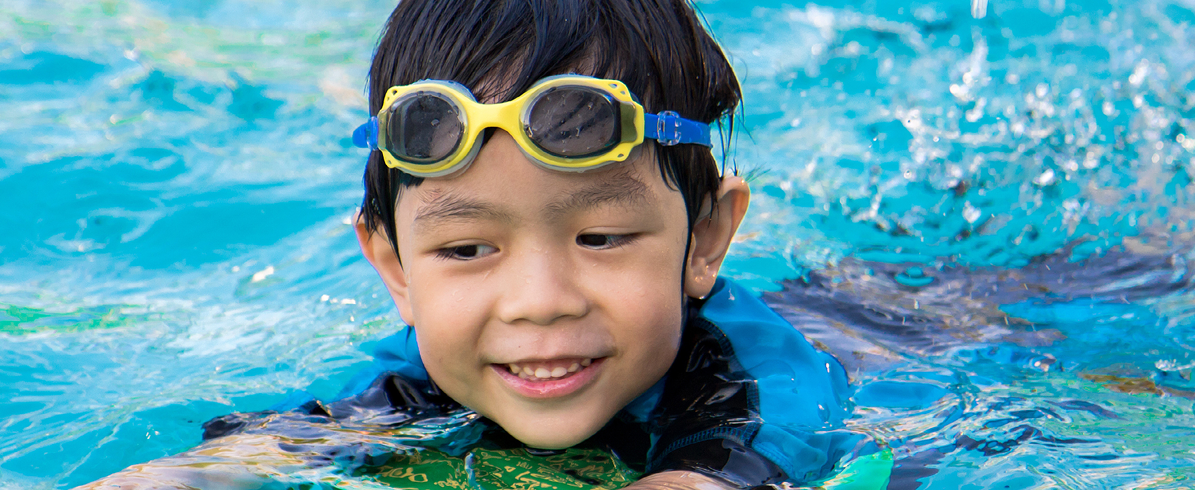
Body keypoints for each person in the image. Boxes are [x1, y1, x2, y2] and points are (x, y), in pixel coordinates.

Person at [81, 0, 871, 488]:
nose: (538, 302)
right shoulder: (413, 380)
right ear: (393, 265)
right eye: (465, 250)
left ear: (705, 239)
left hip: (895, 326)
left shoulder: (751, 375)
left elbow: (758, 451)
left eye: (601, 236)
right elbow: (280, 445)